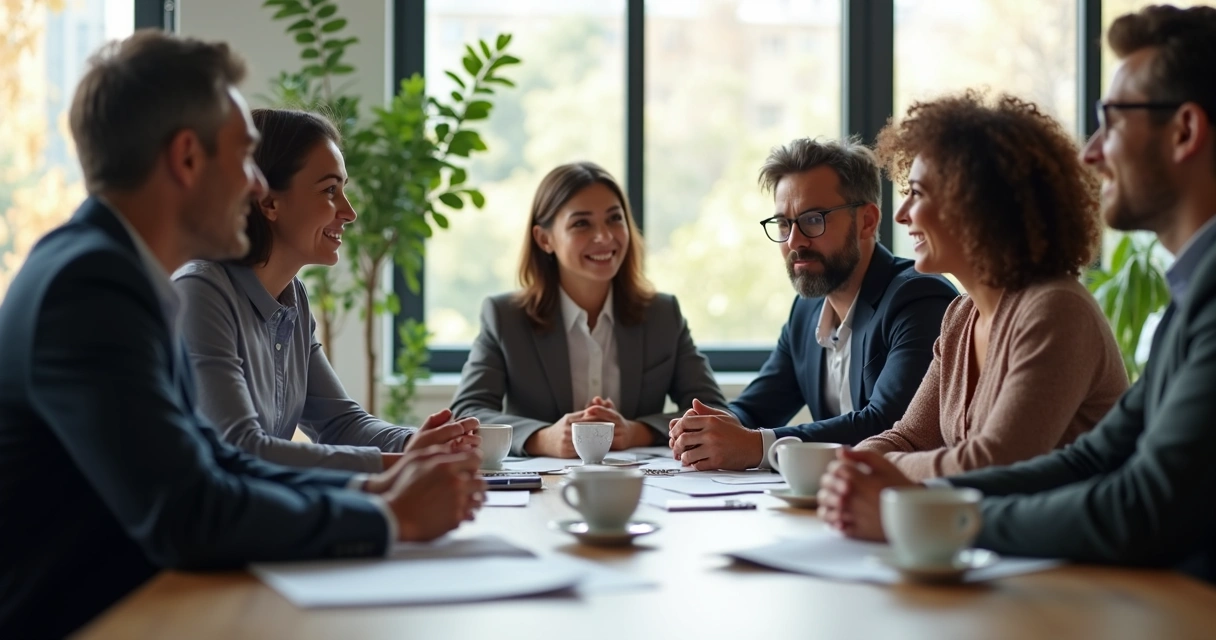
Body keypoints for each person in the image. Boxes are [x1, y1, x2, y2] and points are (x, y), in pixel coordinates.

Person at [0, 31, 484, 637]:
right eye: (246, 157)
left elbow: (214, 464)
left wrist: (376, 485)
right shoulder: (91, 287)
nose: (258, 187)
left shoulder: (117, 273)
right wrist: (387, 515)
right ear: (186, 158)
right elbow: (190, 512)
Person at [818, 4, 1216, 582]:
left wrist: (930, 515)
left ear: (1184, 131)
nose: (1091, 151)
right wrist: (877, 482)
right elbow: (1097, 457)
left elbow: (1142, 504)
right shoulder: (1191, 298)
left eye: (1114, 119)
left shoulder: (1063, 308)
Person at [843, 92, 1128, 481]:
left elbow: (995, 463)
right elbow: (908, 437)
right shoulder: (960, 317)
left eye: (918, 193)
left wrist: (881, 468)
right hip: (989, 536)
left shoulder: (1056, 309)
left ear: (978, 206)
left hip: (1063, 541)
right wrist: (858, 465)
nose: (901, 213)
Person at [173, 109, 468, 473]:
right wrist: (403, 463)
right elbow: (240, 447)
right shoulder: (200, 292)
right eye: (330, 190)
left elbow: (340, 423)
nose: (349, 212)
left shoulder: (291, 296)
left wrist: (421, 442)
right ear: (268, 202)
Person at [668, 137, 958, 471]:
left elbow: (890, 426)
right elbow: (756, 408)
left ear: (867, 221)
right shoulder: (806, 312)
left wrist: (757, 446)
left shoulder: (919, 298)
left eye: (813, 219)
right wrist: (708, 427)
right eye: (783, 223)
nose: (794, 241)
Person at [451, 162, 727, 457]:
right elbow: (466, 415)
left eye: (614, 219)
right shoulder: (505, 317)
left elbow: (715, 412)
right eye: (581, 223)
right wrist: (543, 438)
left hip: (641, 487)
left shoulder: (662, 314)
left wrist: (636, 432)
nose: (605, 237)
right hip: (543, 490)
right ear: (545, 239)